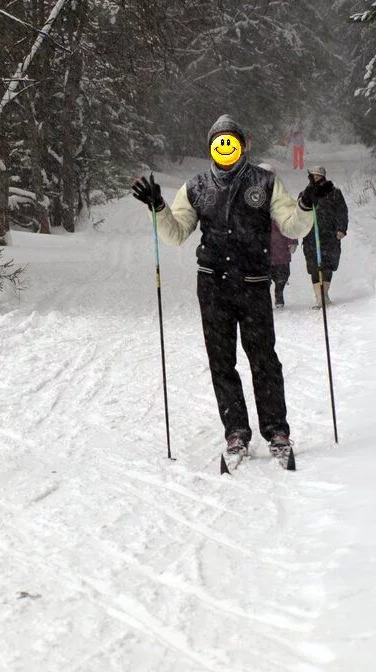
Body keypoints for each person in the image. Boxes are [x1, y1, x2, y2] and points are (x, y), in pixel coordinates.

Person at [131, 115, 323, 465]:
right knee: (222, 362)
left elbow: (293, 226)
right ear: (211, 148)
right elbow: (175, 234)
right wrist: (158, 207)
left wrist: (307, 203)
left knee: (264, 360)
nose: (225, 148)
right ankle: (236, 432)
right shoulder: (196, 187)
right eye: (218, 142)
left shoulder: (265, 183)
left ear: (242, 145)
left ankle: (276, 431)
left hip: (252, 284)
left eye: (231, 141)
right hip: (213, 285)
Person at [301, 165, 349, 307]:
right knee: (314, 266)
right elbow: (299, 214)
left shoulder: (335, 193)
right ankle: (318, 297)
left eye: (318, 176)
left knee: (328, 265)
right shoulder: (305, 193)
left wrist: (341, 229)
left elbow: (342, 212)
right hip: (311, 236)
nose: (315, 178)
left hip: (330, 235)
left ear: (323, 176)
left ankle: (325, 293)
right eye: (313, 175)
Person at [257, 163, 297, 309]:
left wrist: (292, 239)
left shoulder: (281, 194)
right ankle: (264, 298)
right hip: (260, 244)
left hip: (279, 241)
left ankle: (279, 294)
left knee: (282, 275)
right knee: (262, 277)